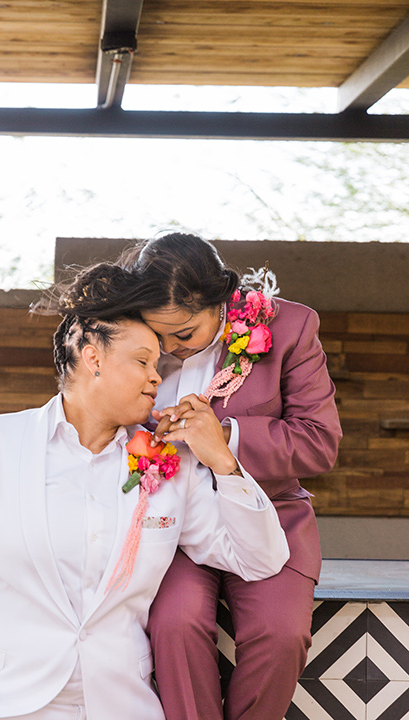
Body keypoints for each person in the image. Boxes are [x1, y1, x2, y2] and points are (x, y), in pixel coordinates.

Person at [0, 263, 289, 720]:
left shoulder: (170, 468)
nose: (157, 378)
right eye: (142, 361)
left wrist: (223, 461)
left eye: (158, 366)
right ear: (92, 356)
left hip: (122, 708)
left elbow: (259, 559)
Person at [118, 233, 343, 720]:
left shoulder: (290, 327)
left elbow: (319, 442)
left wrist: (224, 438)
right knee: (174, 625)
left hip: (272, 517)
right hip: (169, 523)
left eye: (184, 333)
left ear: (220, 301)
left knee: (281, 635)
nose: (168, 347)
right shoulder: (132, 338)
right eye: (158, 335)